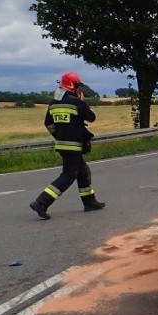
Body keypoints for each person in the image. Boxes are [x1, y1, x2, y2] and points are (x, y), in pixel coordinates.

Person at [29, 71, 106, 219]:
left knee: (83, 171)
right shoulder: (75, 102)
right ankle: (41, 202)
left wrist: (59, 136)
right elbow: (91, 117)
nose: (79, 89)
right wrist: (82, 102)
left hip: (62, 144)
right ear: (72, 86)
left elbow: (48, 123)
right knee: (68, 175)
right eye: (78, 86)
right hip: (74, 145)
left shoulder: (53, 103)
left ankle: (89, 202)